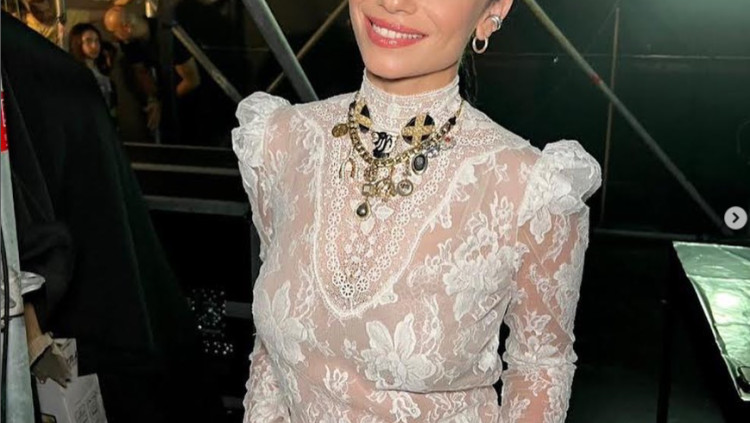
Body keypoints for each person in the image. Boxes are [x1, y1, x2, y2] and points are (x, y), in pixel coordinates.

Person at [232, 0, 603, 422]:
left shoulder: (530, 190)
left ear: (493, 10)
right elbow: (270, 352)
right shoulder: (279, 143)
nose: (393, 2)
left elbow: (540, 370)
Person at [103, 5, 200, 143]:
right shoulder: (129, 42)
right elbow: (140, 71)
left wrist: (164, 103)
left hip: (190, 97)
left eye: (114, 32)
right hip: (166, 91)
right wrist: (152, 98)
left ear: (127, 28)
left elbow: (192, 81)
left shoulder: (168, 35)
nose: (114, 38)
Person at [68, 23, 116, 117]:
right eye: (88, 41)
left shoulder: (103, 66)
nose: (94, 46)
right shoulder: (74, 71)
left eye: (97, 41)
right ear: (78, 43)